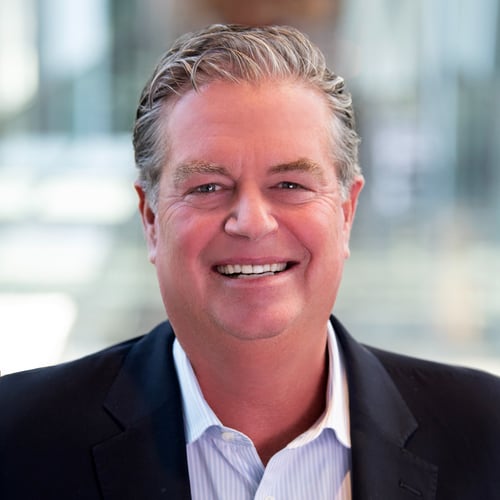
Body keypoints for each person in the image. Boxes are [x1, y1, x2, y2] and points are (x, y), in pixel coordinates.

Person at [0, 24, 499, 500]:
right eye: (207, 187)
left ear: (346, 212)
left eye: (290, 184)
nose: (252, 222)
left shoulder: (487, 434)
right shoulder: (16, 440)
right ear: (150, 218)